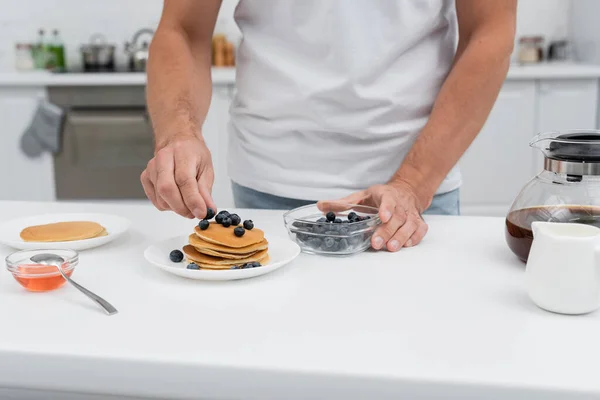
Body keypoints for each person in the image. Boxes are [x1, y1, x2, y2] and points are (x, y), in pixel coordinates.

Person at [141, 0, 517, 252]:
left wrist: (412, 185)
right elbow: (183, 29)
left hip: (414, 199)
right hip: (267, 182)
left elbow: (489, 34)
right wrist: (179, 132)